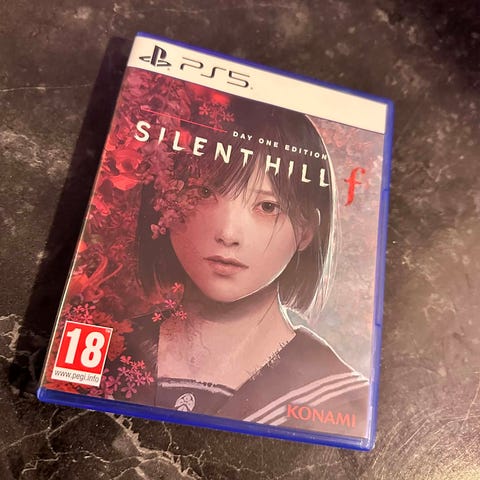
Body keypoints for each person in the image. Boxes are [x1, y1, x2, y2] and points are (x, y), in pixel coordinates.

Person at [120, 97, 369, 438]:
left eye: (267, 206)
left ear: (306, 231)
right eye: (203, 192)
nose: (227, 233)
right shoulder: (112, 348)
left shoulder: (343, 401)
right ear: (164, 201)